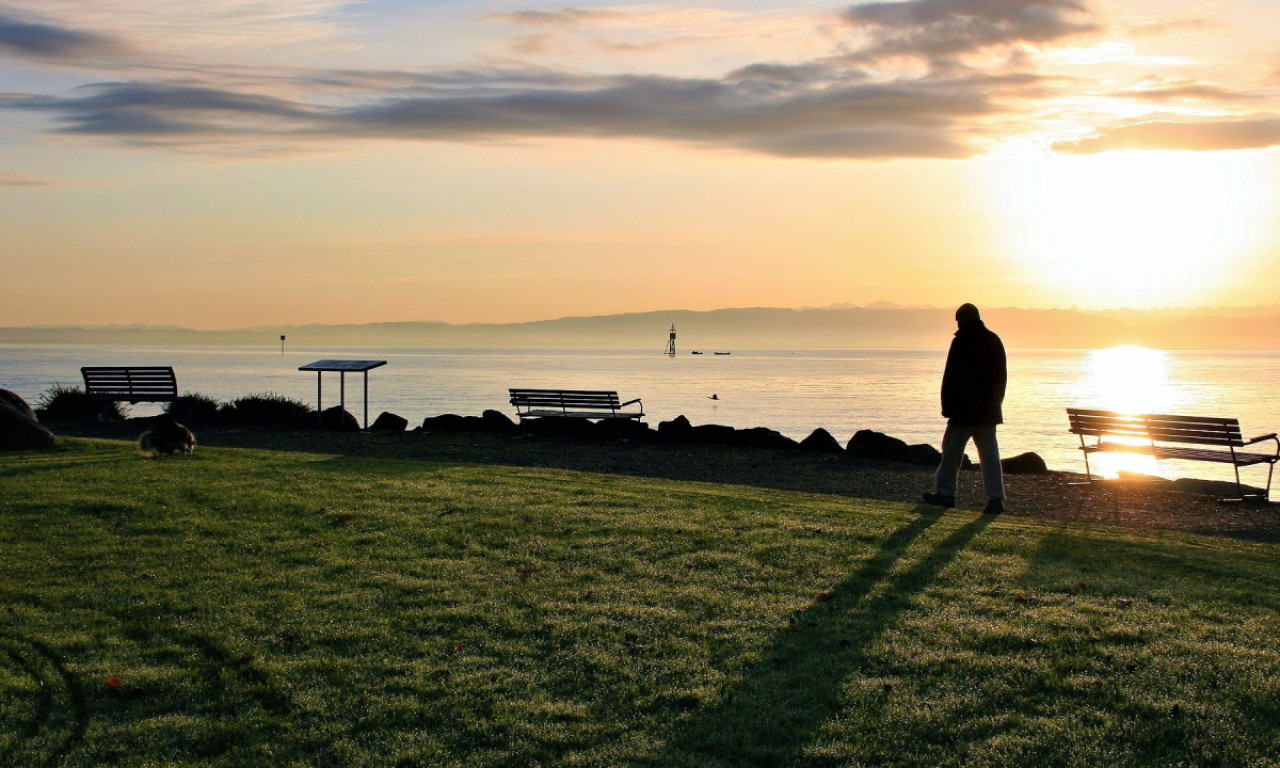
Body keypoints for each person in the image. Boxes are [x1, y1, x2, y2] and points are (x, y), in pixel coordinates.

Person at [923, 303, 1007, 514]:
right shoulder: (994, 340)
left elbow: (950, 377)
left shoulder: (961, 342)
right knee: (990, 457)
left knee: (951, 453)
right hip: (988, 411)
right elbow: (1001, 377)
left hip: (963, 412)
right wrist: (997, 403)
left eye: (958, 320)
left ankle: (946, 494)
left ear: (962, 320)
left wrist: (947, 407)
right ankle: (996, 499)